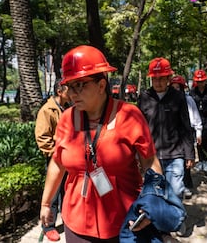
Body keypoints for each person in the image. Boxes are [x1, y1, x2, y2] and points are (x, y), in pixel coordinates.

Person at [39, 45, 162, 242]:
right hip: (76, 220)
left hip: (125, 221)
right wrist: (46, 204)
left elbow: (149, 161)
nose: (72, 93)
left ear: (102, 85)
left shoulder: (129, 115)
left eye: (80, 85)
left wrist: (153, 202)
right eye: (70, 86)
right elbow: (57, 162)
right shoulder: (66, 119)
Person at [137, 58, 195, 199]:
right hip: (151, 157)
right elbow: (138, 128)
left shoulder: (178, 97)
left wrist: (190, 154)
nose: (158, 82)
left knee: (175, 192)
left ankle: (177, 220)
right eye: (155, 79)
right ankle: (160, 220)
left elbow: (186, 126)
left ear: (169, 78)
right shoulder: (144, 98)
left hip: (175, 155)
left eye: (162, 78)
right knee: (155, 196)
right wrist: (136, 155)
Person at [35, 79, 72, 241]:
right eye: (68, 90)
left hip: (70, 158)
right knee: (53, 195)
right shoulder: (47, 110)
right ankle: (48, 226)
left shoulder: (70, 108)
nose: (72, 93)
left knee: (68, 191)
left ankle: (68, 220)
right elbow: (42, 138)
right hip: (55, 159)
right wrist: (55, 154)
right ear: (59, 91)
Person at [170, 75, 202, 199]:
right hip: (174, 134)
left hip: (188, 132)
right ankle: (177, 185)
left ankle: (187, 184)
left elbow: (196, 117)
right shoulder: (169, 100)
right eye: (173, 87)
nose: (176, 90)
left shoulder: (188, 100)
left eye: (178, 87)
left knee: (186, 160)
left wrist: (198, 132)